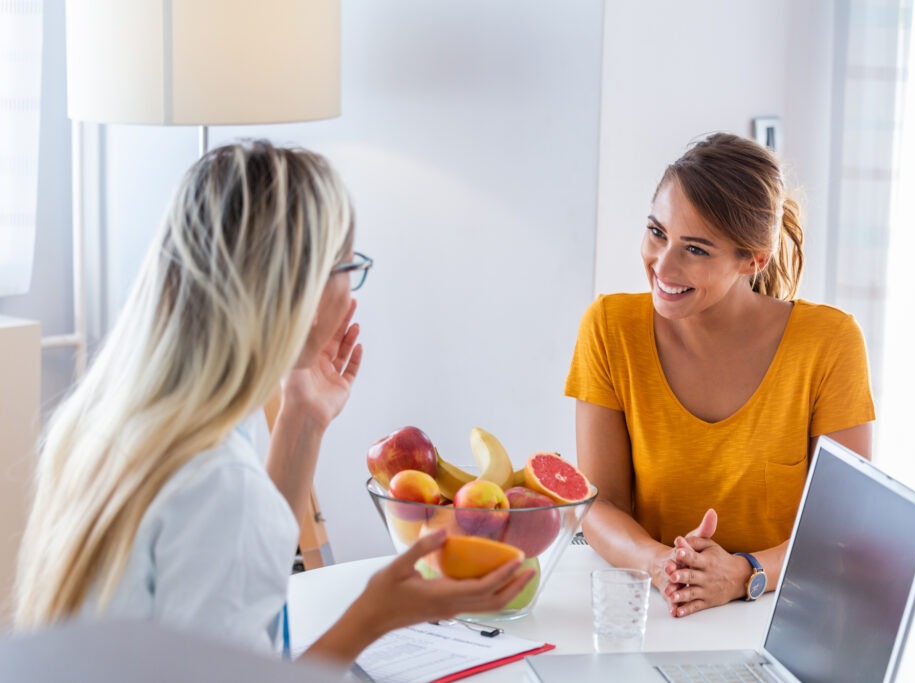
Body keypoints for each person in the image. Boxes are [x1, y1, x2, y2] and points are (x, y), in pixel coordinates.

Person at [14, 140, 533, 665]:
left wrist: (304, 419)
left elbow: (246, 568)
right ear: (300, 290)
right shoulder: (217, 482)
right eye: (348, 265)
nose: (352, 295)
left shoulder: (116, 421)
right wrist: (375, 615)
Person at [564, 132, 874, 618]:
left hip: (784, 611)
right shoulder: (608, 328)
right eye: (657, 232)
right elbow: (600, 504)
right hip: (657, 609)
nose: (662, 265)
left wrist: (744, 573)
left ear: (753, 260)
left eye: (697, 250)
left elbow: (843, 527)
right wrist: (660, 563)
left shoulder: (829, 343)